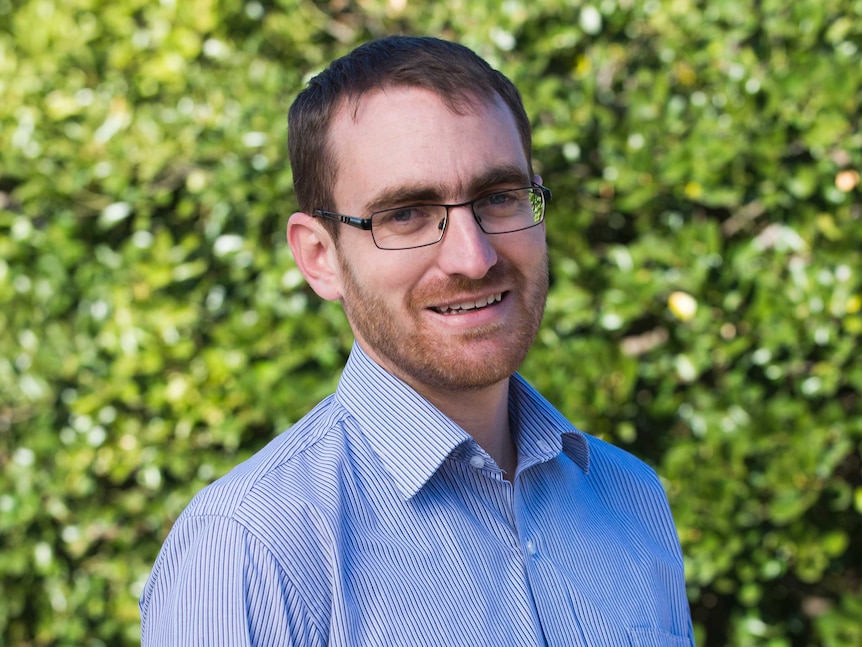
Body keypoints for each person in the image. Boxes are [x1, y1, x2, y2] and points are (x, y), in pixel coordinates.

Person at [140, 35, 694, 646]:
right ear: (320, 257)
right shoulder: (250, 548)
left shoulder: (629, 498)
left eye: (499, 197)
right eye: (405, 213)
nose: (473, 257)